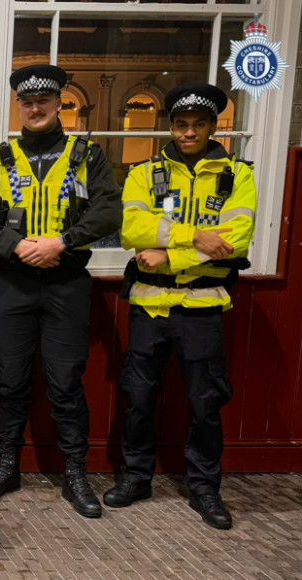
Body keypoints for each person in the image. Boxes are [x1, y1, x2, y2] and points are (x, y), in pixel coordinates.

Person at [0, 64, 121, 518]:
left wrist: (61, 242)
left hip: (66, 284)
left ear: (59, 104)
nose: (35, 109)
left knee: (66, 382)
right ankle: (6, 466)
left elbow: (110, 211)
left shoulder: (87, 156)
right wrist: (18, 246)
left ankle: (75, 473)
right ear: (20, 107)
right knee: (10, 379)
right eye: (27, 102)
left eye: (43, 101)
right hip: (12, 283)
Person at [104, 83, 255, 530]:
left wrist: (170, 255)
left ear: (212, 127)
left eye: (199, 124)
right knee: (138, 397)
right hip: (149, 306)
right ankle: (136, 478)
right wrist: (196, 237)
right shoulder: (144, 172)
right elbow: (131, 228)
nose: (189, 132)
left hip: (203, 308)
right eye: (182, 124)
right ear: (170, 127)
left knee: (206, 403)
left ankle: (205, 488)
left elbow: (236, 240)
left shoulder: (237, 175)